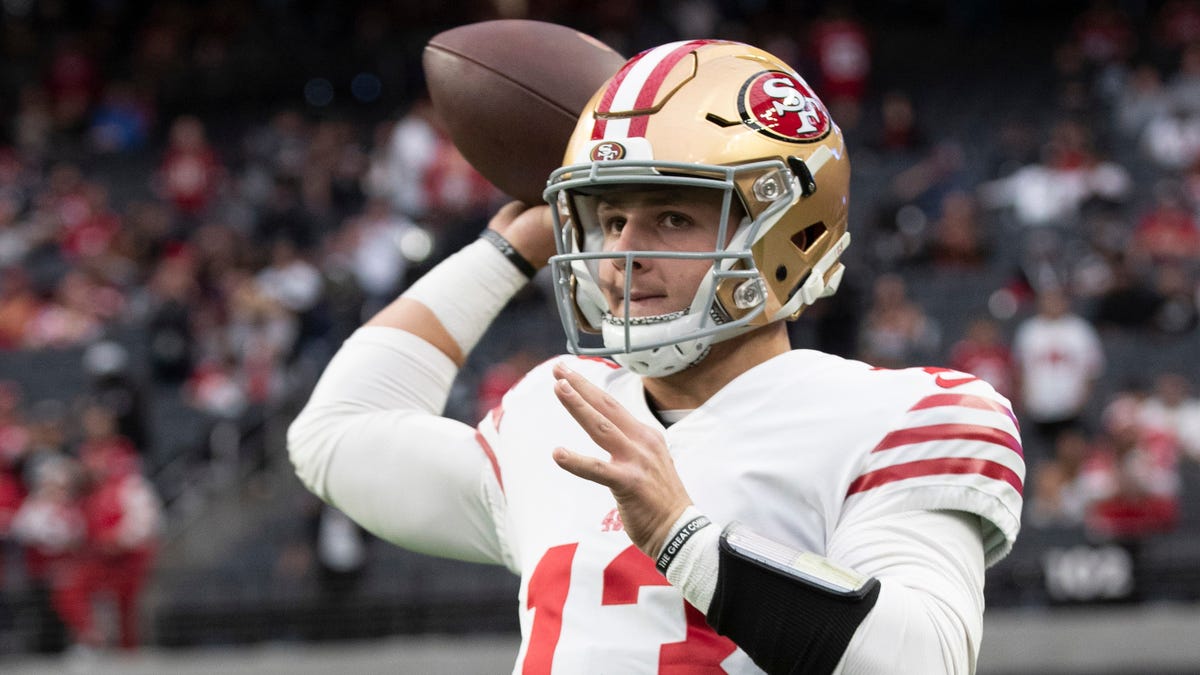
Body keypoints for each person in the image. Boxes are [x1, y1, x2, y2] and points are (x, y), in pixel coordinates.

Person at [289, 39, 1024, 674]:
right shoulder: (559, 408)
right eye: (609, 218)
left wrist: (684, 537)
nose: (621, 255)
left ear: (785, 232)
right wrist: (505, 251)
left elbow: (921, 659)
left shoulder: (903, 413)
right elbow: (336, 434)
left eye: (672, 216)